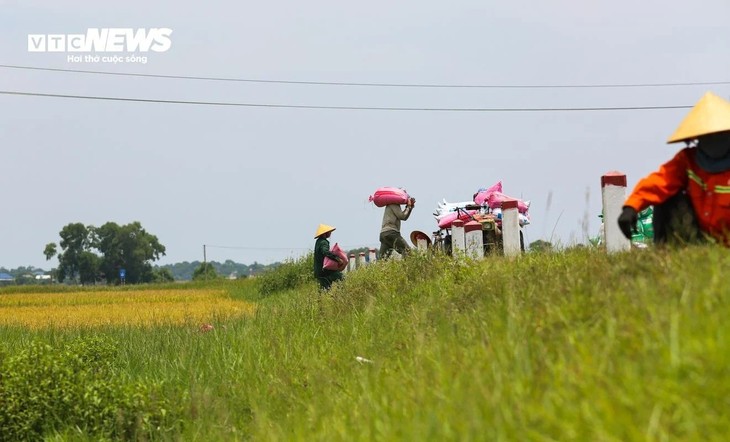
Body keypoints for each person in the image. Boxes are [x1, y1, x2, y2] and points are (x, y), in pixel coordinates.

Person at [618, 92, 730, 246]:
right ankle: (664, 255)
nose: (714, 140)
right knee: (666, 197)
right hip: (698, 239)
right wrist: (632, 206)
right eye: (708, 135)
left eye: (720, 134)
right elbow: (660, 181)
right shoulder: (688, 161)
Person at [313, 224, 344, 290]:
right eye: (329, 232)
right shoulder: (324, 242)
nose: (330, 233)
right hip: (324, 271)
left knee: (324, 290)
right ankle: (341, 295)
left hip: (319, 271)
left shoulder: (318, 241)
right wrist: (338, 259)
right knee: (340, 277)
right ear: (325, 233)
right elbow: (326, 252)